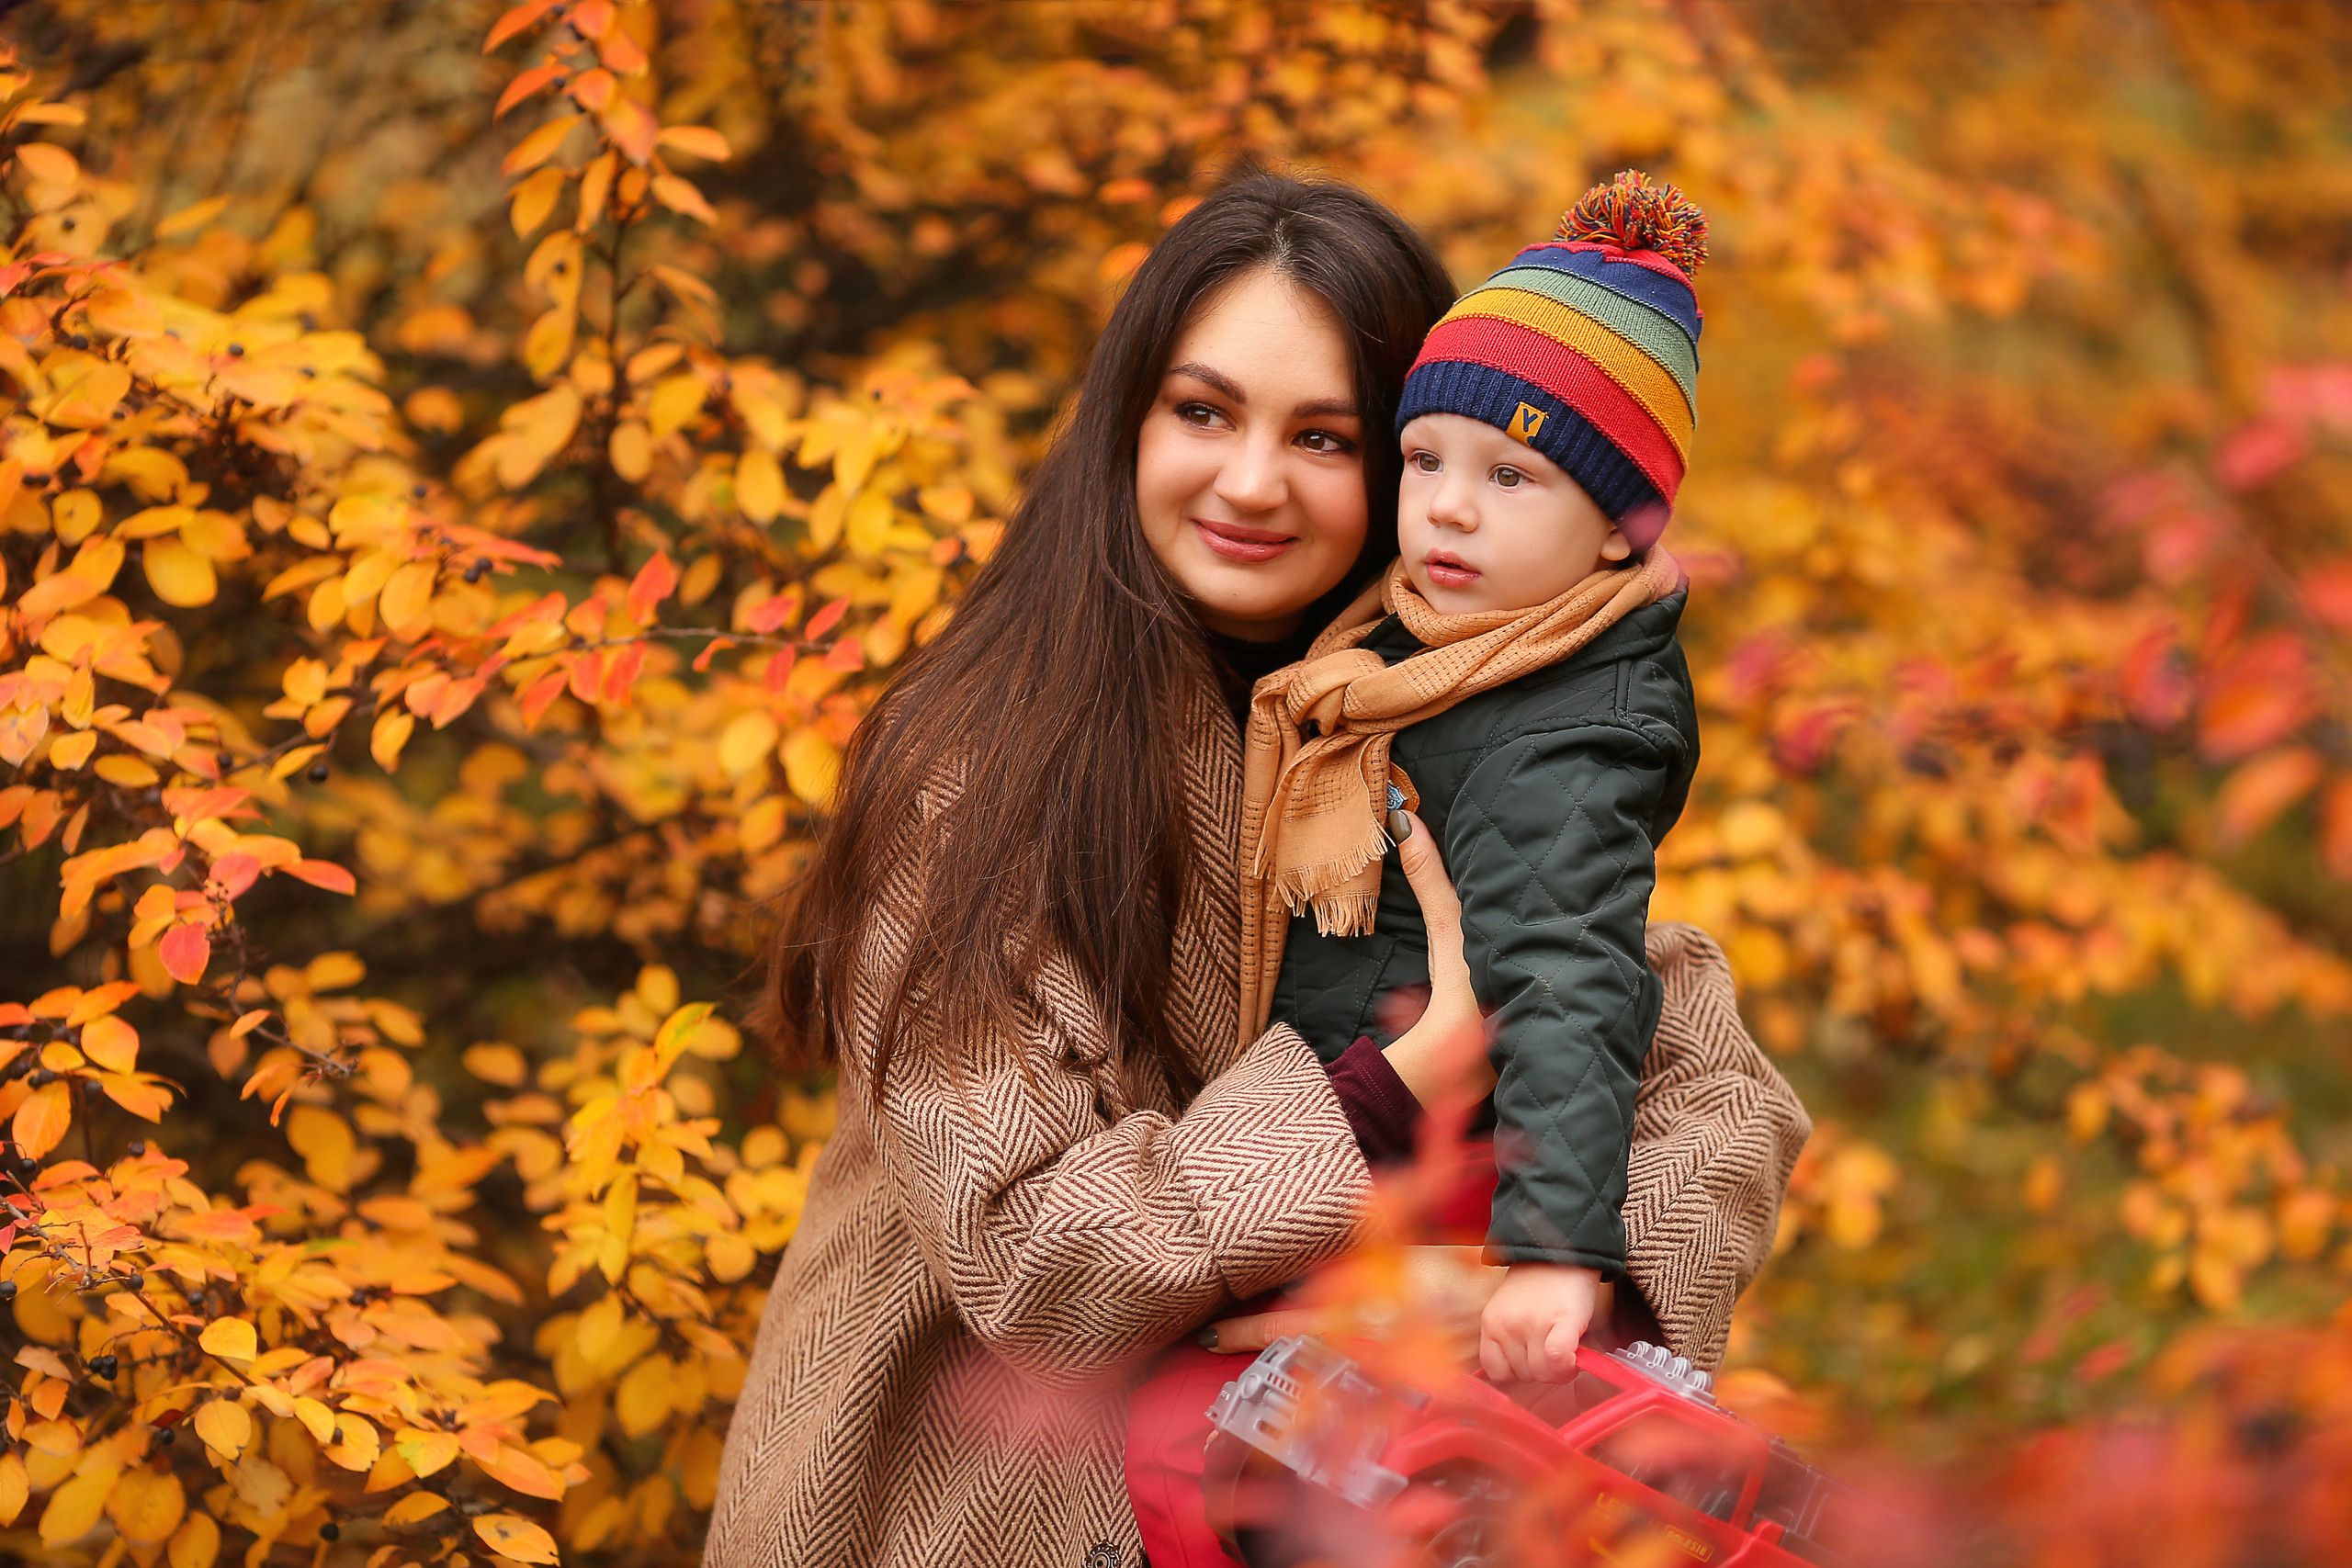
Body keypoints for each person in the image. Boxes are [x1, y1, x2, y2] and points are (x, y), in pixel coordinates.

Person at [705, 173, 1805, 1568]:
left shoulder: (1434, 708)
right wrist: (1407, 1078)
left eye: (1327, 435)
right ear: (1129, 422)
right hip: (981, 1505)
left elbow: (1714, 1086)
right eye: (1203, 411)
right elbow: (1037, 1260)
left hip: (1306, 1494)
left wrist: (1549, 1282)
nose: (1249, 481)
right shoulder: (977, 762)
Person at [1121, 173, 1747, 1566]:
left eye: (1512, 476)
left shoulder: (1555, 723)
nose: (1451, 512)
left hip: (1448, 1190)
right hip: (1357, 1159)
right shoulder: (1405, 656)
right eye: (1429, 462)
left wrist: (1553, 1253)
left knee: (1349, 1467)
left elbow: (1591, 983)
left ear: (1616, 533)